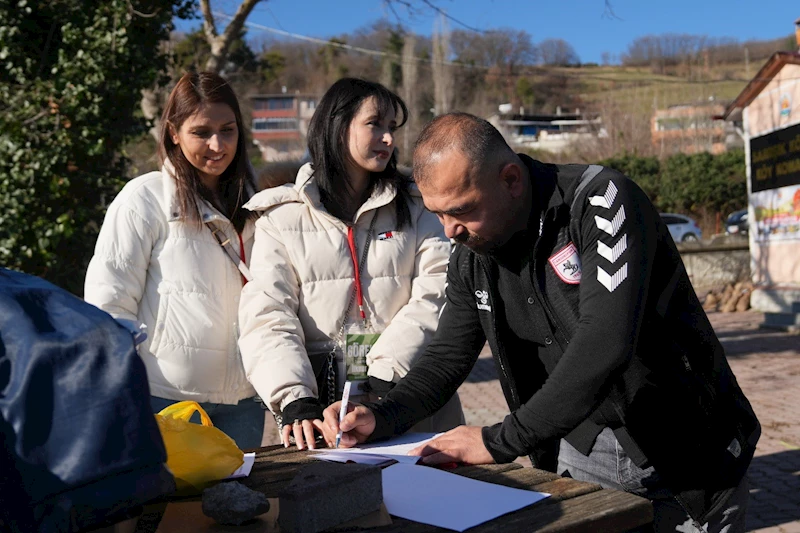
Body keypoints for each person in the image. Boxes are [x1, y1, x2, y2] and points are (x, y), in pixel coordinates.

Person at [322, 112, 760, 533]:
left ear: (510, 180)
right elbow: (448, 355)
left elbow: (604, 343)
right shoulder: (471, 250)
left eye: (461, 209)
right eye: (438, 214)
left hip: (687, 452)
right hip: (580, 453)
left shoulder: (601, 202)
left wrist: (498, 441)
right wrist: (384, 416)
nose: (449, 230)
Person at [238, 78, 464, 450]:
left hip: (410, 401)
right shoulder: (281, 217)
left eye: (392, 127)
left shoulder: (420, 205)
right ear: (337, 125)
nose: (389, 139)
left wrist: (383, 379)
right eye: (375, 124)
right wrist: (295, 399)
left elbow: (437, 294)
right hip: (325, 418)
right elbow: (267, 314)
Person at [84, 71, 264, 448]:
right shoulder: (145, 198)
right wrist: (123, 385)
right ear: (174, 133)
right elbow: (109, 301)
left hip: (244, 400)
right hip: (166, 400)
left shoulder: (256, 203)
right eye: (201, 132)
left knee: (243, 503)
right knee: (168, 506)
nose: (217, 144)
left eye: (228, 130)